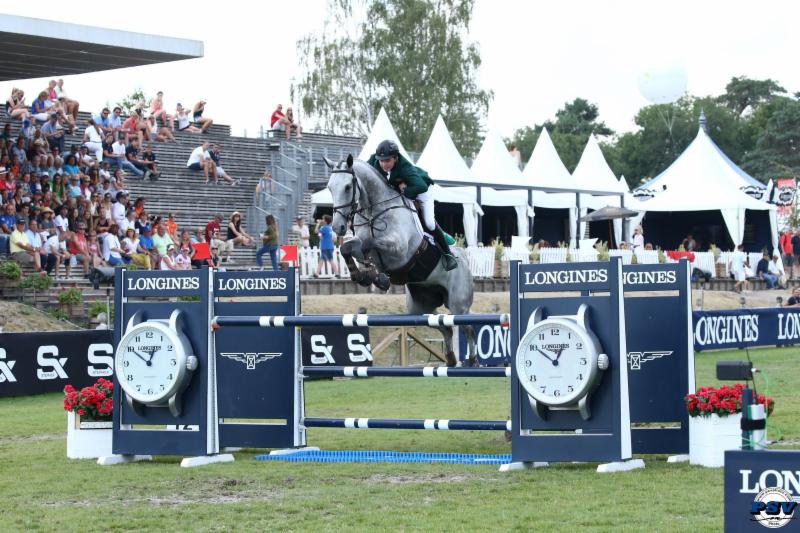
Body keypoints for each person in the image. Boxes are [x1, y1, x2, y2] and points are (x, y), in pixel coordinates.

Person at [367, 139, 457, 270]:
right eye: (381, 160)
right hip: (403, 189)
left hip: (422, 190)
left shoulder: (405, 167)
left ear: (395, 158)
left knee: (429, 223)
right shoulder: (374, 161)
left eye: (387, 161)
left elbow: (421, 187)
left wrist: (404, 190)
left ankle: (448, 254)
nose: (383, 164)